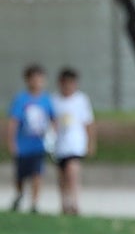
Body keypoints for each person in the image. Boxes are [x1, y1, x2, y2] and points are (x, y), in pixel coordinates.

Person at [7, 64, 55, 214]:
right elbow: (13, 122)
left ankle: (34, 203)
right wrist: (11, 142)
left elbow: (53, 119)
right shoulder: (21, 99)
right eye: (33, 79)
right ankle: (20, 194)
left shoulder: (47, 100)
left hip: (38, 145)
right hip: (23, 145)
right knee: (20, 175)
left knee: (37, 174)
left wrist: (53, 136)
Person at [50, 68, 96, 216]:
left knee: (72, 171)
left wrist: (91, 142)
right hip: (59, 144)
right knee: (62, 175)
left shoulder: (81, 100)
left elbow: (88, 122)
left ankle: (75, 202)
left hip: (75, 144)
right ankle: (64, 203)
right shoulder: (54, 100)